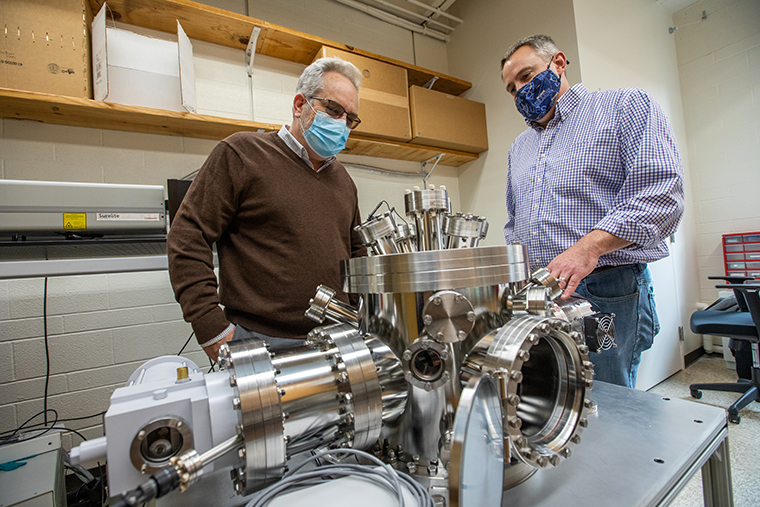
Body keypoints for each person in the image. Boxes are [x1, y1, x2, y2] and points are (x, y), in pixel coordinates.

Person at [500, 34, 685, 387]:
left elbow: (662, 193)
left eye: (526, 76)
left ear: (558, 62)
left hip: (605, 291)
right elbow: (514, 224)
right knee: (558, 394)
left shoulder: (624, 107)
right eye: (511, 88)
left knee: (608, 393)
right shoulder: (520, 147)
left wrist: (588, 248)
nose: (520, 90)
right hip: (543, 293)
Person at [168, 57, 367, 361]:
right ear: (300, 105)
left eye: (350, 118)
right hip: (259, 342)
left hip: (337, 339)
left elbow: (357, 255)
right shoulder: (242, 154)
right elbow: (187, 236)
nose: (341, 124)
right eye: (333, 110)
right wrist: (212, 329)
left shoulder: (344, 181)